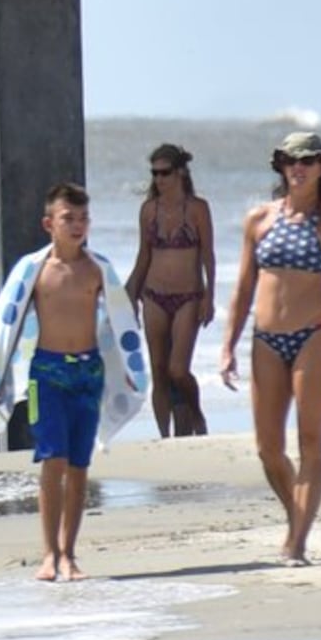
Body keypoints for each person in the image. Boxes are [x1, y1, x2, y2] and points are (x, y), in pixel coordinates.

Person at [0, 185, 149, 582]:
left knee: (79, 467)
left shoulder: (98, 270)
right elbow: (2, 324)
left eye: (83, 219)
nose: (77, 226)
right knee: (52, 460)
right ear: (49, 224)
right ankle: (48, 554)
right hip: (47, 373)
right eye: (68, 219)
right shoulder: (35, 270)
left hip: (88, 374)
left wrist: (128, 367)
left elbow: (121, 320)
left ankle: (69, 554)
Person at [217, 131, 321, 564]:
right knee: (267, 447)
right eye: (289, 161)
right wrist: (227, 346)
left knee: (310, 441)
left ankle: (296, 543)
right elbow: (243, 289)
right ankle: (298, 516)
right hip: (265, 340)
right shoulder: (259, 220)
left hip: (314, 336)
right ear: (281, 167)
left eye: (306, 160)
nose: (296, 168)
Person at [132, 147, 215, 440]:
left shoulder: (197, 209)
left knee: (178, 369)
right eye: (154, 173)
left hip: (188, 297)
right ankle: (166, 439)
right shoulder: (149, 210)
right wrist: (129, 294)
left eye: (164, 172)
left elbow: (208, 255)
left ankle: (196, 413)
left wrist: (209, 296)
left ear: (180, 172)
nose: (158, 179)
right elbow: (143, 256)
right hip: (154, 295)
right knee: (159, 372)